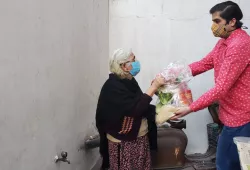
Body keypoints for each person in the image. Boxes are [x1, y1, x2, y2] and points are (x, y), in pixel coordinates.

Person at [172, 1, 250, 170]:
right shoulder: (224, 41)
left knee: (226, 165)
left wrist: (190, 108)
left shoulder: (239, 45)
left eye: (217, 21)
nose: (213, 26)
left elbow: (221, 88)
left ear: (232, 22)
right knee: (234, 164)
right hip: (230, 115)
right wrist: (171, 75)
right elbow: (205, 63)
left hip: (241, 118)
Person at [95, 48, 165, 170]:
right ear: (124, 66)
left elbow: (139, 103)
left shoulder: (129, 81)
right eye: (133, 60)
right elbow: (135, 110)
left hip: (139, 137)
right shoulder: (112, 87)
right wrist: (153, 88)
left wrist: (156, 90)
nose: (136, 62)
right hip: (123, 142)